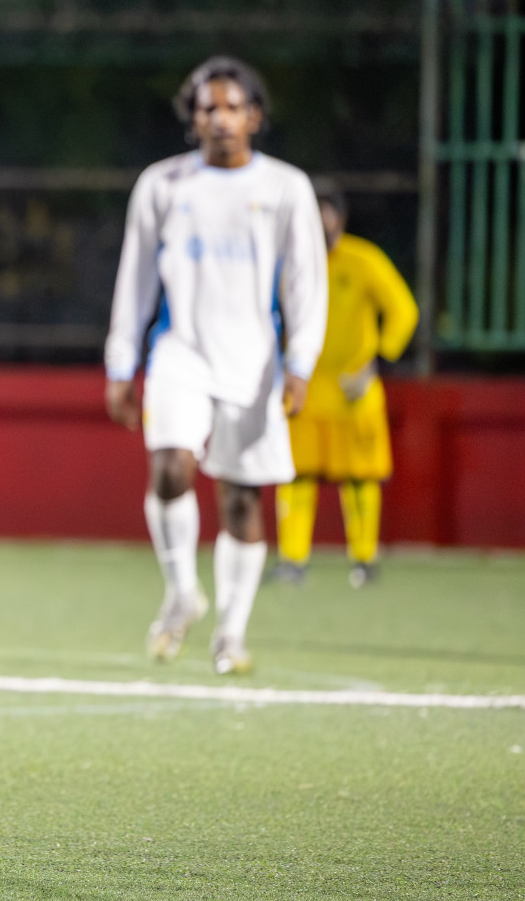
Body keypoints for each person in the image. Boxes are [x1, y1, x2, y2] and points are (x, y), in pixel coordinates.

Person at [104, 56, 327, 675]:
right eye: (208, 108)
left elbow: (307, 284)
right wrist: (122, 364)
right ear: (192, 119)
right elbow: (137, 278)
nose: (220, 119)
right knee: (171, 465)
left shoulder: (286, 187)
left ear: (254, 116)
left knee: (241, 499)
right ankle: (182, 592)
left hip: (256, 360)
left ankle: (231, 631)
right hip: (181, 351)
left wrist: (300, 364)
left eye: (232, 107)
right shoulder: (163, 184)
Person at [268, 189, 418, 588]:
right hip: (305, 387)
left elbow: (404, 311)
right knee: (297, 475)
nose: (320, 222)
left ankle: (364, 561)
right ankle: (292, 560)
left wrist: (376, 363)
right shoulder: (288, 263)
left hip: (354, 389)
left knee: (360, 478)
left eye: (327, 214)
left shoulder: (364, 260)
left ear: (341, 218)